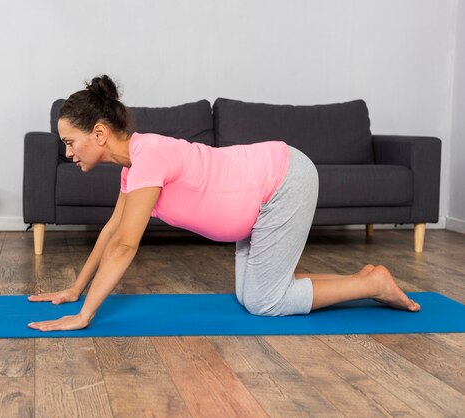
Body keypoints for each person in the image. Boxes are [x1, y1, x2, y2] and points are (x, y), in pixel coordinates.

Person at [27, 75, 420, 332]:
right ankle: (368, 279)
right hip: (261, 197)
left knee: (266, 303)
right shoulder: (134, 167)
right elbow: (113, 230)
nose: (68, 153)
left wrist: (84, 316)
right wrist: (76, 289)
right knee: (252, 298)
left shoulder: (149, 157)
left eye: (69, 142)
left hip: (282, 182)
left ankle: (372, 283)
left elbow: (126, 246)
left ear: (98, 133)